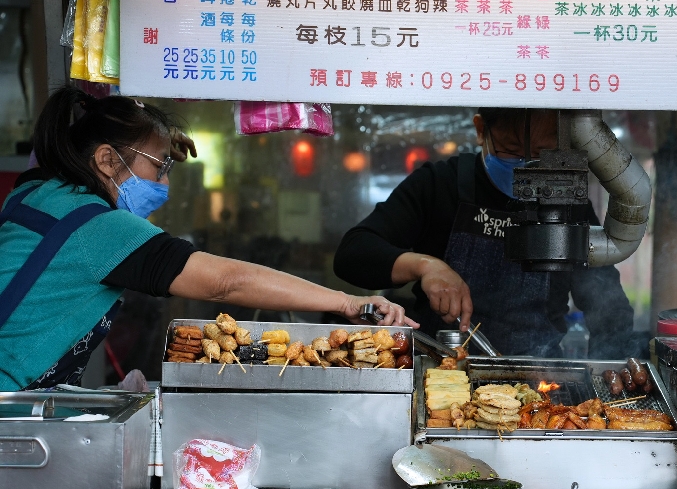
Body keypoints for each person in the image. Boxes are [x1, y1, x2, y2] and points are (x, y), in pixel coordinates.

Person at [0, 87, 412, 391]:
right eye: (160, 167)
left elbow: (55, 159)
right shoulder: (99, 228)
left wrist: (151, 149)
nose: (163, 182)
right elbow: (225, 282)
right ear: (107, 159)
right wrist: (346, 303)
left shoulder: (36, 192)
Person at [334, 108, 638, 358]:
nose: (525, 167)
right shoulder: (440, 184)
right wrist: (426, 266)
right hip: (443, 368)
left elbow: (607, 305)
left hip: (539, 373)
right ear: (481, 130)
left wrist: (611, 367)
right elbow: (353, 254)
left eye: (543, 153)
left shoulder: (568, 201)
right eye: (511, 151)